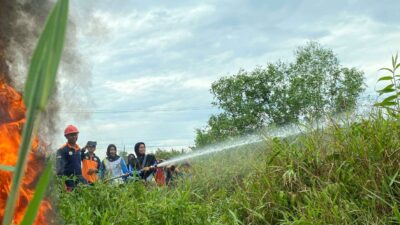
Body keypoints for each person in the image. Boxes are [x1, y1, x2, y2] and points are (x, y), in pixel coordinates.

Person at [56, 125, 87, 191]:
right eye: (71, 135)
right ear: (66, 136)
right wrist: (62, 183)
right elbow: (59, 169)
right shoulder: (62, 150)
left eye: (75, 135)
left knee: (87, 190)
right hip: (68, 179)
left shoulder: (78, 149)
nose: (74, 137)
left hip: (79, 177)